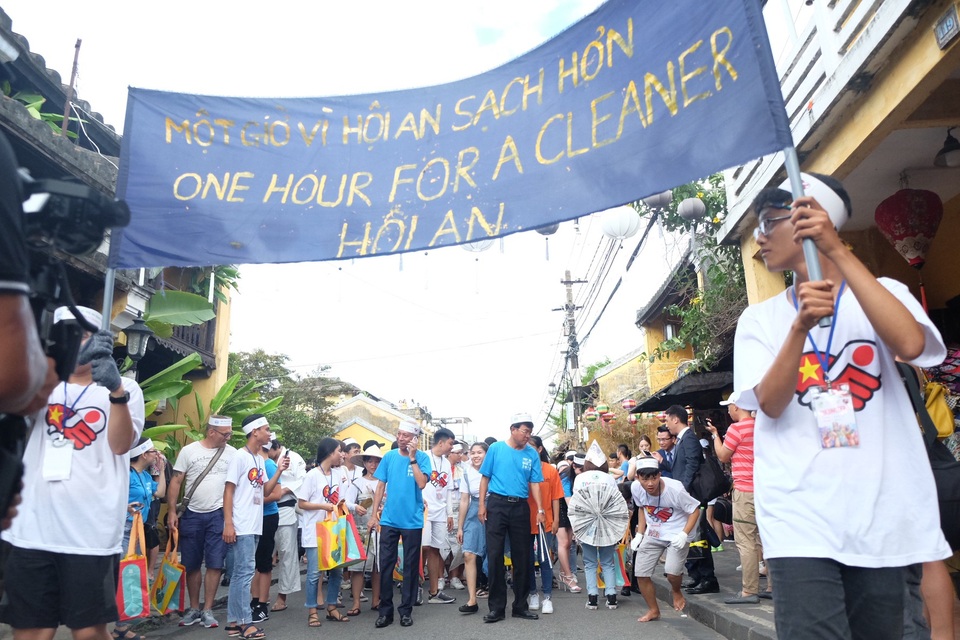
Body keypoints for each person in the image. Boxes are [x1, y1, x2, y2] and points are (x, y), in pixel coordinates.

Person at [733, 173, 951, 638]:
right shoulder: (760, 319)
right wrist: (799, 328)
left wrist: (837, 250)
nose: (759, 237)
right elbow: (769, 403)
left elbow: (911, 344)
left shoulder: (885, 292)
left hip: (881, 510)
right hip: (798, 515)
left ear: (812, 221)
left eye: (769, 222)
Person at [1, 305, 145, 640]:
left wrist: (116, 393)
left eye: (82, 335)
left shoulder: (125, 388)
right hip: (32, 528)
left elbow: (121, 445)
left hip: (91, 532)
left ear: (100, 340)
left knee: (89, 632)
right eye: (65, 335)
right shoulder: (39, 384)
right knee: (32, 631)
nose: (74, 343)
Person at [167, 415, 237, 629]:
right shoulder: (189, 451)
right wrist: (172, 511)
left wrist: (230, 520)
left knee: (215, 563)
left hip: (218, 514)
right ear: (211, 432)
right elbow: (176, 481)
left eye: (230, 433)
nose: (228, 437)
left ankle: (207, 609)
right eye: (225, 434)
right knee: (192, 563)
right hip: (192, 514)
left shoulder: (233, 454)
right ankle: (194, 608)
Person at [222, 414, 288, 640]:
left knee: (241, 574)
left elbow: (265, 491)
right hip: (241, 525)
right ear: (255, 432)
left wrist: (279, 471)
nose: (270, 433)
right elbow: (228, 490)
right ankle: (245, 623)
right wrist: (228, 523)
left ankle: (234, 622)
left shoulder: (259, 460)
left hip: (254, 524)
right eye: (266, 429)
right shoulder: (239, 457)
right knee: (244, 573)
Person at [477, 412, 545, 624]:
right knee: (495, 555)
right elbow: (485, 477)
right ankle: (496, 608)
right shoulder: (496, 448)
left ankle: (520, 606)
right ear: (513, 429)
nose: (527, 435)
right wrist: (482, 505)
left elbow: (535, 483)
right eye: (524, 431)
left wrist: (540, 509)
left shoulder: (531, 454)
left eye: (530, 432)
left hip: (520, 507)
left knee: (522, 557)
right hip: (497, 504)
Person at [705, 392, 767, 603]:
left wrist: (716, 436)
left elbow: (723, 455)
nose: (728, 411)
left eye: (729, 407)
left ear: (737, 406)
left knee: (746, 541)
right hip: (764, 489)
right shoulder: (761, 426)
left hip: (744, 490)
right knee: (765, 538)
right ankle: (772, 586)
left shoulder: (736, 428)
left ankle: (749, 590)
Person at [369, 422, 430, 629]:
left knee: (410, 567)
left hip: (412, 521)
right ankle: (385, 611)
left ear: (415, 439)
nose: (401, 438)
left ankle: (406, 610)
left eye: (406, 435)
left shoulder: (422, 458)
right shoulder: (389, 457)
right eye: (399, 434)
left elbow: (421, 483)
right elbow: (380, 486)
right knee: (386, 565)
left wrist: (413, 458)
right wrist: (373, 515)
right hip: (389, 520)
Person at [631, 457, 701, 622]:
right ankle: (653, 610)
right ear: (637, 478)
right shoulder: (636, 488)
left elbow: (695, 510)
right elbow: (642, 508)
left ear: (659, 475)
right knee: (641, 573)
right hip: (654, 533)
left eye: (653, 478)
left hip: (678, 532)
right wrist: (640, 534)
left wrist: (684, 534)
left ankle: (676, 591)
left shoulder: (675, 489)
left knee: (672, 573)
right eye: (645, 479)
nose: (650, 483)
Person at [663, 404, 719, 595]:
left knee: (700, 538)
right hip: (687, 497)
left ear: (675, 419)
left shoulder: (689, 438)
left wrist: (683, 490)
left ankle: (708, 578)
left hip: (692, 496)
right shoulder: (682, 439)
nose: (667, 424)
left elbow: (692, 465)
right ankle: (696, 576)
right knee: (691, 538)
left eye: (667, 420)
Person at [298, 437, 351, 628]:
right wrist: (324, 506)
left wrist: (348, 511)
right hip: (315, 531)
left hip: (334, 530)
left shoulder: (338, 474)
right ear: (329, 452)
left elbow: (341, 501)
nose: (342, 454)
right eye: (339, 451)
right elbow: (302, 503)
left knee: (336, 571)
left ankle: (332, 607)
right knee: (314, 573)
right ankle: (312, 611)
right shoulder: (312, 475)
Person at [572, 442, 624, 611]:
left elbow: (576, 503)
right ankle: (611, 597)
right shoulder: (609, 478)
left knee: (590, 562)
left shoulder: (580, 478)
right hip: (607, 523)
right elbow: (616, 500)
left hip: (586, 523)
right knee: (608, 562)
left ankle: (592, 598)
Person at [419, 427, 457, 604]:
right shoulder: (423, 457)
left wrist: (450, 514)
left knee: (436, 549)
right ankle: (416, 586)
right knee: (423, 547)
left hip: (440, 512)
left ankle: (434, 592)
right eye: (450, 443)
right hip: (424, 511)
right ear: (441, 442)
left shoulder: (447, 464)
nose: (452, 447)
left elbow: (448, 490)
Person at [269, 438, 306, 614]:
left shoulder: (294, 458)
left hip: (285, 509)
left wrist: (284, 490)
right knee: (263, 555)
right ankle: (260, 595)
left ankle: (282, 596)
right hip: (265, 509)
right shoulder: (261, 459)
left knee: (287, 554)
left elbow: (302, 480)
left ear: (276, 447)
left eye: (268, 449)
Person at [250, 435, 284, 623]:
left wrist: (253, 501)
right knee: (253, 562)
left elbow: (277, 494)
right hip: (251, 519)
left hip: (267, 517)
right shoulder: (251, 461)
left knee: (263, 561)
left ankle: (262, 604)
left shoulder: (269, 465)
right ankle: (254, 600)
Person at [526, 435, 561, 614]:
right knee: (527, 560)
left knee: (545, 559)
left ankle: (547, 597)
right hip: (524, 521)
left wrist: (556, 520)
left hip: (545, 522)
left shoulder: (550, 470)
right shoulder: (522, 468)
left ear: (539, 449)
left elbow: (556, 497)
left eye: (532, 447)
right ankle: (532, 593)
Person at [350, 442, 383, 611]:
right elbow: (346, 502)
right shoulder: (356, 483)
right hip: (361, 529)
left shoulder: (385, 483)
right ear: (364, 463)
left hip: (380, 529)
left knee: (378, 567)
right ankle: (356, 602)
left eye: (377, 462)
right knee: (358, 568)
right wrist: (355, 507)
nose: (373, 465)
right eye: (370, 461)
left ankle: (376, 600)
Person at [457, 441, 488, 614]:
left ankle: (495, 596)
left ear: (487, 454)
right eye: (473, 452)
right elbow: (464, 500)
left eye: (480, 452)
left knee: (493, 556)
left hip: (494, 508)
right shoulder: (466, 472)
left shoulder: (494, 469)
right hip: (474, 511)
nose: (476, 456)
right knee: (468, 554)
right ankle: (472, 600)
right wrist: (460, 527)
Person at [339, 438, 369, 617]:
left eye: (359, 450)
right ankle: (343, 585)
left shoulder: (361, 472)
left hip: (363, 518)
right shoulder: (340, 471)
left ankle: (362, 592)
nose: (357, 453)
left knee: (365, 559)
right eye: (354, 451)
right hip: (343, 516)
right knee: (347, 555)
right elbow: (344, 499)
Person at [555, 456, 582, 593]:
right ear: (574, 466)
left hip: (573, 510)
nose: (582, 472)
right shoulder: (565, 477)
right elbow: (568, 500)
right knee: (564, 542)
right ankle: (568, 577)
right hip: (560, 508)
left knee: (570, 544)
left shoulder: (582, 477)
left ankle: (563, 572)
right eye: (580, 469)